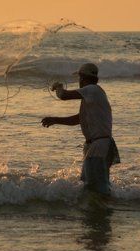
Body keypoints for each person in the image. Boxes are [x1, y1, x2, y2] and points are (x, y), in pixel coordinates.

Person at [41, 62, 120, 196]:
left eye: (79, 78)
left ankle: (102, 212)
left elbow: (63, 95)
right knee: (94, 185)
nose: (79, 81)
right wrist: (55, 120)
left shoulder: (92, 90)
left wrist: (59, 87)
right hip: (100, 145)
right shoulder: (93, 95)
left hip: (99, 146)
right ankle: (104, 209)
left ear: (83, 78)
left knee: (95, 188)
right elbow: (78, 119)